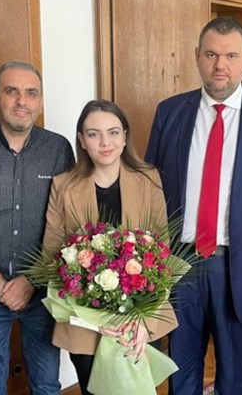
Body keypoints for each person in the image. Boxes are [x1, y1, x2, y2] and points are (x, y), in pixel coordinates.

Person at [145, 16, 242, 394]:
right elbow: (149, 187)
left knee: (233, 370)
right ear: (197, 57)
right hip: (179, 262)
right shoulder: (170, 112)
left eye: (231, 55)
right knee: (180, 364)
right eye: (211, 55)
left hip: (240, 263)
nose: (221, 65)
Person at [41, 99, 176, 395]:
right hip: (86, 324)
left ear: (125, 137)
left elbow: (162, 254)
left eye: (113, 132)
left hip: (141, 320)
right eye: (94, 134)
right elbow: (51, 257)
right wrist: (94, 321)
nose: (105, 142)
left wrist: (141, 319)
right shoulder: (63, 185)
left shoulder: (148, 179)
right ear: (82, 140)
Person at [0, 61, 73, 394]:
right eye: (11, 91)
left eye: (31, 93)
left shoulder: (58, 149)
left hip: (41, 293)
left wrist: (31, 280)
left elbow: (67, 224)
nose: (21, 101)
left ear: (40, 101)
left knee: (46, 384)